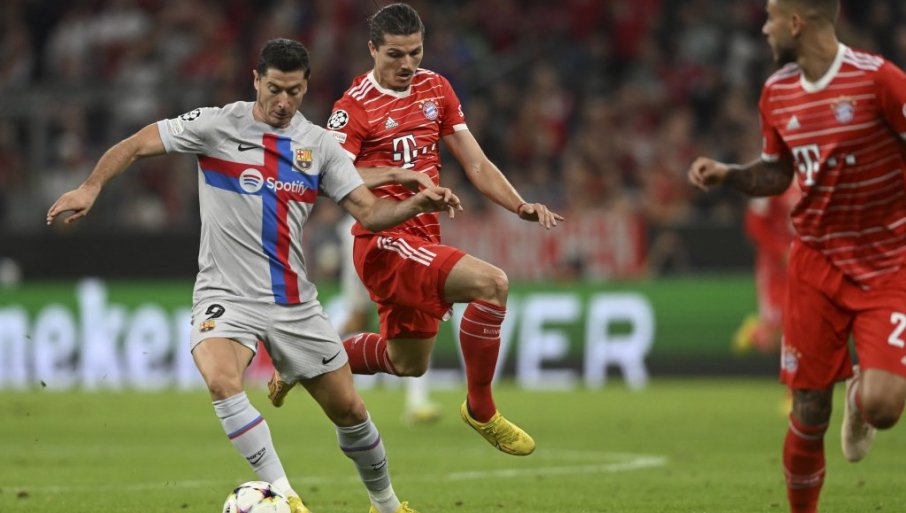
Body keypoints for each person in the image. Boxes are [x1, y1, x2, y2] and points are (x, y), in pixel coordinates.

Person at [46, 38, 462, 513]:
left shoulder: (319, 146)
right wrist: (90, 186)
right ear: (256, 81)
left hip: (293, 300)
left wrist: (416, 204)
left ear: (306, 89)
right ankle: (286, 497)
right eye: (275, 89)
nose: (284, 102)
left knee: (349, 409)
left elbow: (369, 212)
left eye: (295, 92)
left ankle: (386, 505)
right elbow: (137, 144)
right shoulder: (215, 125)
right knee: (222, 381)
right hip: (225, 294)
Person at [268, 3, 563, 456]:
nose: (407, 64)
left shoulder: (436, 88)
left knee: (406, 363)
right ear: (372, 49)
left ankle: (302, 359)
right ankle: (481, 409)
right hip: (382, 241)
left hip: (422, 239)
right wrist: (395, 175)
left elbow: (476, 162)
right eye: (395, 54)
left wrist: (518, 204)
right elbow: (326, 175)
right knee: (492, 284)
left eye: (415, 52)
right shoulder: (354, 106)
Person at [688, 1, 906, 511]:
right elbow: (777, 173)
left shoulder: (879, 80)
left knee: (883, 406)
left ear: (795, 23)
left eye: (769, 19)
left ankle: (860, 396)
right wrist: (729, 175)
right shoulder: (776, 91)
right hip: (814, 265)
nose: (764, 30)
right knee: (808, 410)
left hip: (887, 265)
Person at [336, 213, 442, 426]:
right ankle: (311, 357)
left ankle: (418, 401)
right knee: (357, 318)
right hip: (364, 232)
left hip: (403, 232)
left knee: (413, 311)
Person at [733, 185, 799, 355]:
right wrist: (780, 251)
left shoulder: (814, 179)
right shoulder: (770, 182)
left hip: (805, 263)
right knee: (774, 339)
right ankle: (755, 331)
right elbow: (753, 224)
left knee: (803, 327)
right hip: (776, 268)